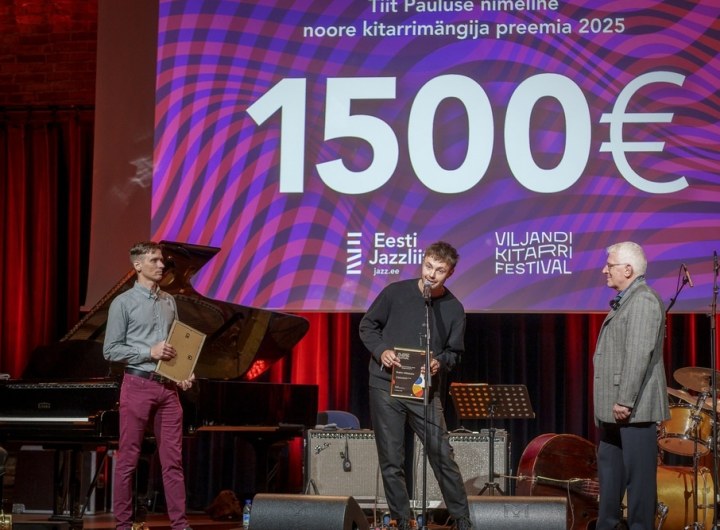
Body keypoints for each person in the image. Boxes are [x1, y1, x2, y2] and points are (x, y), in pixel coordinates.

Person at [359, 241, 472, 530]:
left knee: (441, 453)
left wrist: (439, 362)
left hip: (424, 390)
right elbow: (367, 326)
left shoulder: (454, 308)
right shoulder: (395, 293)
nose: (431, 274)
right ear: (422, 262)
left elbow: (454, 353)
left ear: (450, 273)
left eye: (440, 270)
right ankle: (402, 519)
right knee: (392, 458)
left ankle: (462, 519)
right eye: (428, 266)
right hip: (386, 385)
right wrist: (381, 350)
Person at [103, 241, 194, 530]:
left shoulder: (169, 301)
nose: (161, 265)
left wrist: (183, 373)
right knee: (128, 459)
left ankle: (180, 525)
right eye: (154, 260)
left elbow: (175, 345)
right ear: (138, 265)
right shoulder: (123, 303)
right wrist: (148, 352)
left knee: (173, 461)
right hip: (138, 385)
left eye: (162, 260)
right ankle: (123, 525)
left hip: (168, 389)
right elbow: (110, 350)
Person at [593, 241, 670, 530]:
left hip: (633, 409)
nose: (605, 270)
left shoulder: (643, 300)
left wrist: (625, 399)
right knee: (609, 476)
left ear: (628, 269)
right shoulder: (627, 299)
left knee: (639, 485)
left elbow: (638, 354)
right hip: (613, 410)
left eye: (609, 265)